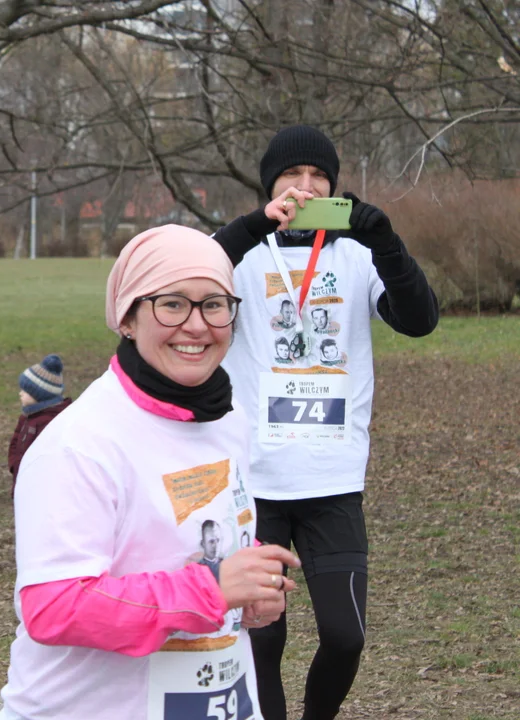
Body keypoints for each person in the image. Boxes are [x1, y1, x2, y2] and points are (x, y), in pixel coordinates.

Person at [0, 225, 301, 720]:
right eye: (173, 303)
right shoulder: (80, 443)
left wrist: (246, 597)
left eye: (214, 304)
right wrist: (212, 589)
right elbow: (52, 606)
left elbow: (202, 554)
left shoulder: (230, 419)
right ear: (128, 319)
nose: (198, 325)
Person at [213, 125, 439, 720]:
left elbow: (419, 321)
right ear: (271, 186)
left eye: (320, 178)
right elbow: (192, 271)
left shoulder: (357, 256)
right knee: (261, 638)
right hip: (255, 480)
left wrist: (388, 244)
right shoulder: (242, 259)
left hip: (333, 478)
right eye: (294, 176)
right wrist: (256, 224)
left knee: (346, 636)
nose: (307, 187)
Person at [6, 354, 72, 497]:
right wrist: (14, 464)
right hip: (23, 479)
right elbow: (15, 441)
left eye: (26, 391)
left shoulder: (49, 422)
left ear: (40, 395)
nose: (20, 394)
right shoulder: (27, 417)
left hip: (41, 488)